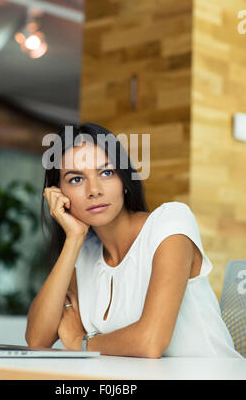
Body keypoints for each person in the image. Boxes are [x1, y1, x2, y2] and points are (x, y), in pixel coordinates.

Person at [25, 122, 242, 358]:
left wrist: (81, 343)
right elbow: (37, 339)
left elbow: (150, 341)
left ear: (124, 181)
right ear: (60, 194)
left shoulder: (170, 224)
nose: (94, 190)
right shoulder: (85, 254)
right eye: (76, 179)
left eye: (106, 172)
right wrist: (74, 239)